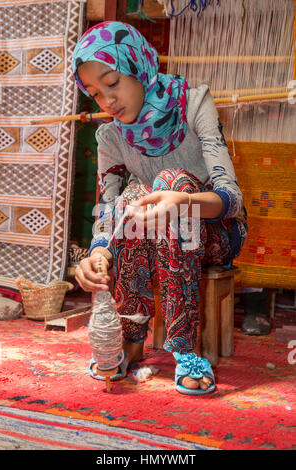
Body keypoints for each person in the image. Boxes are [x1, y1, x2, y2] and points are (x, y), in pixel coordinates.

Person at [72, 21, 248, 395]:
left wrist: (182, 200)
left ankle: (184, 347)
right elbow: (107, 209)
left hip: (216, 229)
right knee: (132, 196)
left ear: (138, 65)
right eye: (94, 92)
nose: (106, 101)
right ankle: (132, 336)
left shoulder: (194, 103)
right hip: (154, 236)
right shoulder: (110, 135)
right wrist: (98, 252)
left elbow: (231, 199)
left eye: (112, 82)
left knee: (172, 181)